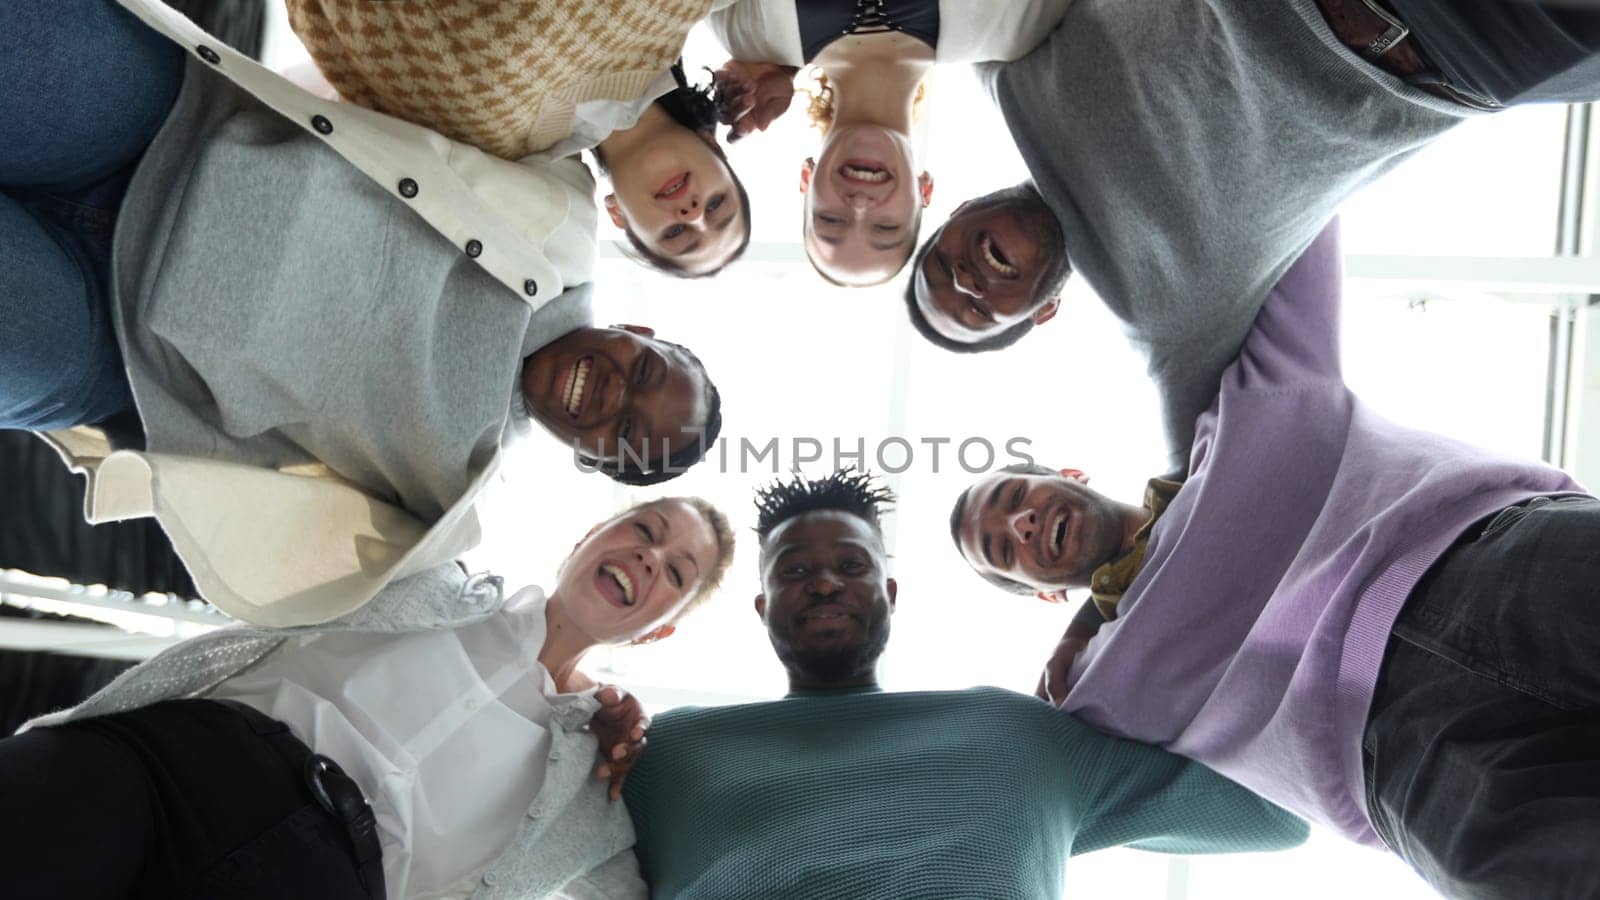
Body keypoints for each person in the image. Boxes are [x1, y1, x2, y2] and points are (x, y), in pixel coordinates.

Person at [2, 0, 722, 626]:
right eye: (645, 371)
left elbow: (423, 625)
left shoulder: (448, 498)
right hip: (161, 124)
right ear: (640, 333)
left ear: (593, 461)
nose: (612, 391)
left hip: (102, 338)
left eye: (626, 430)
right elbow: (554, 62)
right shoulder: (562, 215)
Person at [949, 224, 1599, 900]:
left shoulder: (1245, 409)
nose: (1020, 521)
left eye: (1013, 495)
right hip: (1407, 759)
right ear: (1042, 594)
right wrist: (1064, 684)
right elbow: (1093, 808)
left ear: (1067, 473)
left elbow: (1291, 210)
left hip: (1496, 563)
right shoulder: (1093, 692)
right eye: (1002, 548)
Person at [909, 0, 1600, 473]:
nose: (965, 280)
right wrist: (1096, 609)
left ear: (959, 209)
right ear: (1043, 310)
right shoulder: (1164, 322)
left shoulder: (1010, 70)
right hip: (1469, 58)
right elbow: (1195, 486)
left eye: (940, 265)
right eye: (975, 308)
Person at [2, 496, 737, 900]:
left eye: (675, 571)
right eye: (645, 529)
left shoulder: (591, 781)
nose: (649, 554)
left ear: (658, 631)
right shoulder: (425, 575)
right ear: (591, 532)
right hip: (185, 766)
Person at [623, 469, 1307, 898]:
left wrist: (1110, 634)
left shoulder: (1020, 735)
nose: (826, 582)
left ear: (890, 593)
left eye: (852, 566)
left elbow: (1276, 809)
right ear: (763, 607)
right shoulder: (666, 754)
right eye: (796, 572)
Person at [286, 0, 753, 277]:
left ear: (616, 215)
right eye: (717, 206)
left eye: (675, 234)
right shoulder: (679, 9)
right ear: (715, 148)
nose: (693, 214)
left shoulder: (484, 137)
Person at [709, 0, 1073, 286]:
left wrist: (775, 61)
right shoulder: (1013, 27)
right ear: (924, 190)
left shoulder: (750, 34)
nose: (861, 205)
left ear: (806, 179)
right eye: (885, 228)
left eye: (831, 220)